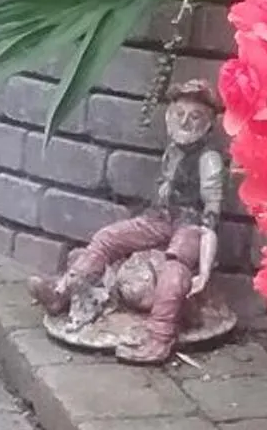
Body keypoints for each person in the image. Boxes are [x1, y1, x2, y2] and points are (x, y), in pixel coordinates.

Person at [30, 79, 229, 364]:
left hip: (191, 224)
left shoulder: (208, 160)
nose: (185, 122)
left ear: (208, 123)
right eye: (178, 114)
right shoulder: (173, 150)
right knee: (108, 237)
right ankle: (64, 291)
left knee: (175, 267)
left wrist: (205, 271)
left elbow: (211, 217)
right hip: (160, 218)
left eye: (195, 117)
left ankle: (159, 338)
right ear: (168, 116)